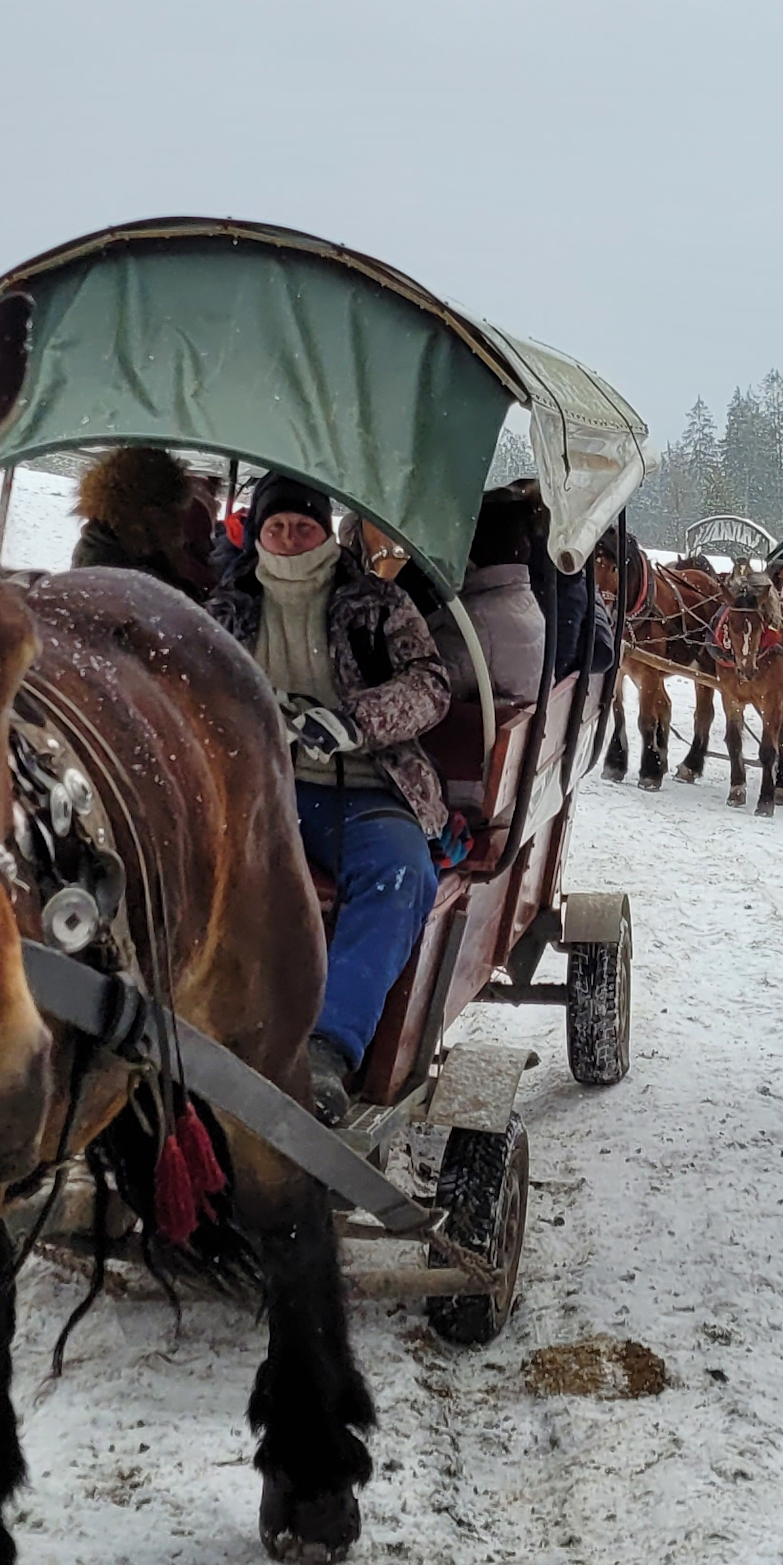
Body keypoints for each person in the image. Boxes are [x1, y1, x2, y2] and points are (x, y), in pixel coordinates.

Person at [206, 471, 452, 1123]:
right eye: (276, 527)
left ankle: (327, 1049)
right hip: (266, 792)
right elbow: (194, 689)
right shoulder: (229, 608)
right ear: (257, 532)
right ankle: (205, 1036)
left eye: (303, 526)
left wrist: (353, 719)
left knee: (403, 875)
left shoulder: (375, 604)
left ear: (324, 530)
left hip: (368, 791)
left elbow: (431, 684)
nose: (289, 539)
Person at [70, 442, 219, 599]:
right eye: (178, 513)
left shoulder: (102, 547)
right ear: (155, 515)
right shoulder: (130, 579)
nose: (180, 528)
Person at [457, 488, 554, 716]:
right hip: (513, 735)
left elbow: (439, 682)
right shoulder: (523, 601)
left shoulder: (476, 619)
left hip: (466, 744)